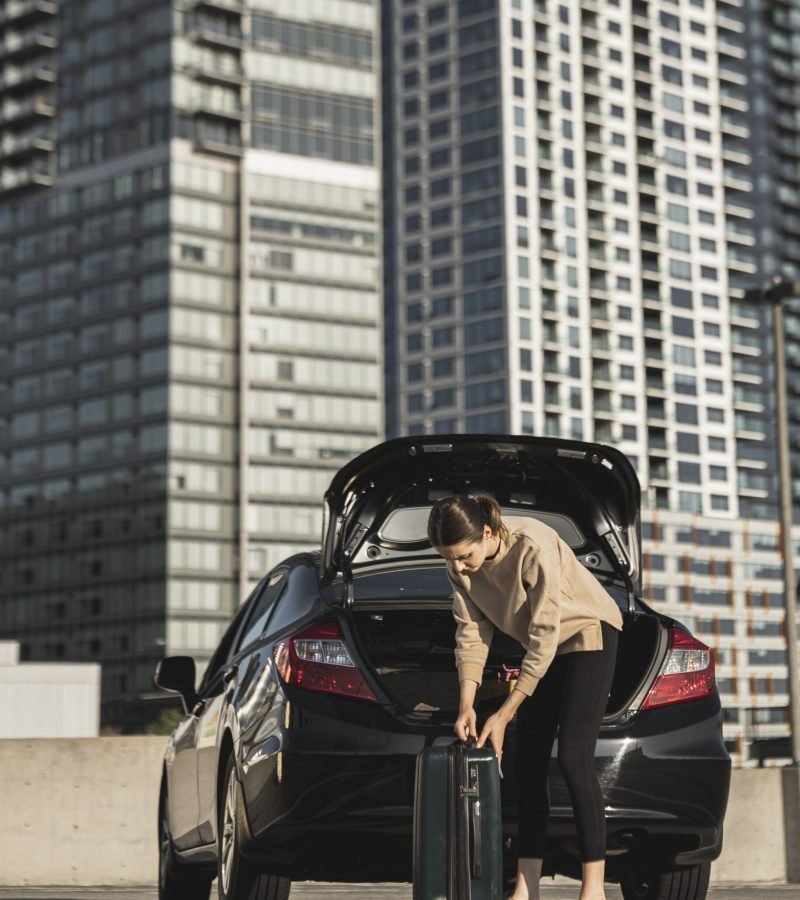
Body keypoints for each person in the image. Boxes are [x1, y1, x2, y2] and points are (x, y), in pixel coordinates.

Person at [427, 494, 623, 900]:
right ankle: (526, 887)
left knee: (573, 756)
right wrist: (466, 705)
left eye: (463, 556)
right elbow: (471, 634)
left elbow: (544, 636)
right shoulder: (458, 567)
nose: (458, 567)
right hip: (542, 646)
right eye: (448, 558)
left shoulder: (532, 544)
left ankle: (594, 890)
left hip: (588, 631)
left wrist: (504, 713)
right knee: (528, 762)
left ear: (486, 533)